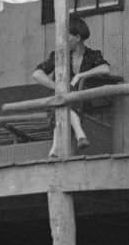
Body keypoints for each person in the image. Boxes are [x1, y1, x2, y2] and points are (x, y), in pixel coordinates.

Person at [32, 16, 110, 155]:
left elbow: (105, 69)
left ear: (77, 37)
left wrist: (80, 76)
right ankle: (80, 135)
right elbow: (37, 74)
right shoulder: (59, 55)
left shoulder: (92, 55)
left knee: (62, 103)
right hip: (62, 98)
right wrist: (58, 87)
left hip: (82, 101)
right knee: (62, 100)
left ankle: (56, 147)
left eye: (66, 36)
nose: (63, 40)